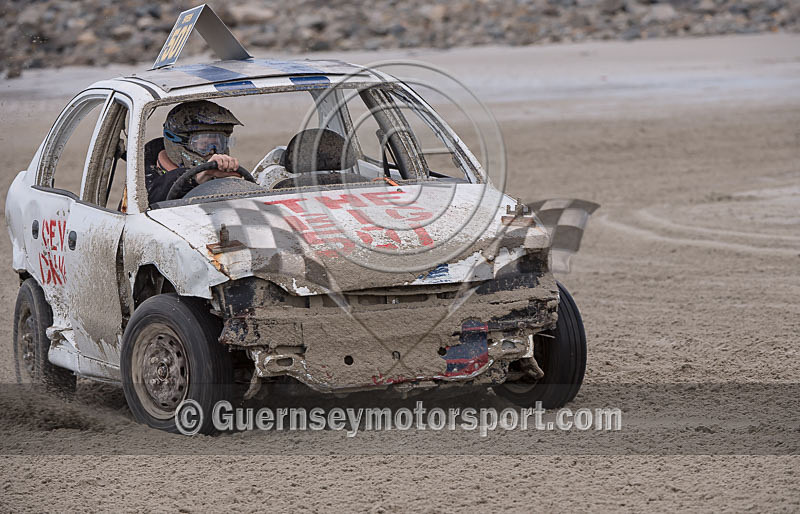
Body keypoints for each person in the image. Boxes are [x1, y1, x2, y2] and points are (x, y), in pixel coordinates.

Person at [145, 100, 244, 204]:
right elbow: (153, 195)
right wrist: (196, 177)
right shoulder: (140, 177)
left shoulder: (218, 173)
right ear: (175, 140)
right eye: (203, 144)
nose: (212, 151)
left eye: (218, 143)